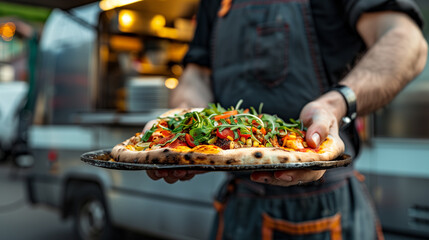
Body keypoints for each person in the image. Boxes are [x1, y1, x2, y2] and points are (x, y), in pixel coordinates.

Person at [147, 0, 427, 239]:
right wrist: (185, 118)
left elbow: (406, 40)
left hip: (326, 205)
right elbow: (197, 73)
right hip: (238, 201)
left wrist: (334, 104)